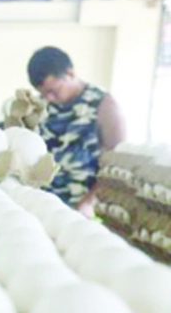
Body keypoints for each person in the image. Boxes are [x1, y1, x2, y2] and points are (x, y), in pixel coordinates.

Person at [27, 46, 126, 216]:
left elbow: (117, 165)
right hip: (43, 206)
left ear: (70, 74)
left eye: (54, 91)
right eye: (43, 94)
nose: (49, 98)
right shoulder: (40, 107)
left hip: (84, 207)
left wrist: (89, 202)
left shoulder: (104, 105)